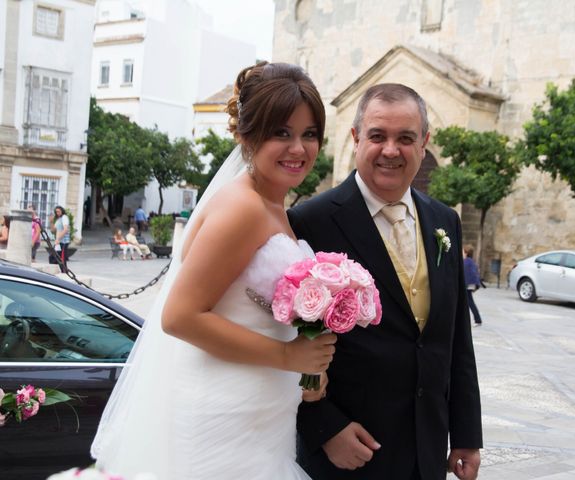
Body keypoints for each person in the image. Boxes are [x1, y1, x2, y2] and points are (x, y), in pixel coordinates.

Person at [91, 62, 336, 480]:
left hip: (260, 420)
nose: (299, 148)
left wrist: (307, 363)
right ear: (246, 135)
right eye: (282, 133)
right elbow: (180, 316)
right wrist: (288, 356)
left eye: (309, 134)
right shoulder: (242, 207)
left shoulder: (272, 206)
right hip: (223, 418)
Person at [289, 83, 482, 480]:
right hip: (349, 452)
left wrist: (465, 432)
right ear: (357, 138)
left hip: (427, 450)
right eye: (378, 136)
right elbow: (291, 339)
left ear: (424, 143)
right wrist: (322, 426)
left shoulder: (445, 221)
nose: (391, 150)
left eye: (406, 138)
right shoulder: (311, 222)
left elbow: (455, 337)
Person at [463, 245, 483, 326]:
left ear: (466, 253)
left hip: (468, 285)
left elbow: (469, 275)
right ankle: (476, 320)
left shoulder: (467, 262)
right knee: (468, 302)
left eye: (463, 251)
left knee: (470, 302)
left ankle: (478, 320)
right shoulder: (470, 261)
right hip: (470, 285)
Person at [50, 206, 70, 273]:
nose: (57, 213)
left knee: (62, 259)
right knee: (53, 257)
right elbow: (53, 231)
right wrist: (51, 222)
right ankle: (58, 271)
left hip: (63, 242)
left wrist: (58, 239)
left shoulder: (64, 218)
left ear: (62, 211)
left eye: (58, 211)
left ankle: (64, 272)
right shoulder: (58, 220)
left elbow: (65, 229)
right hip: (58, 242)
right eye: (56, 212)